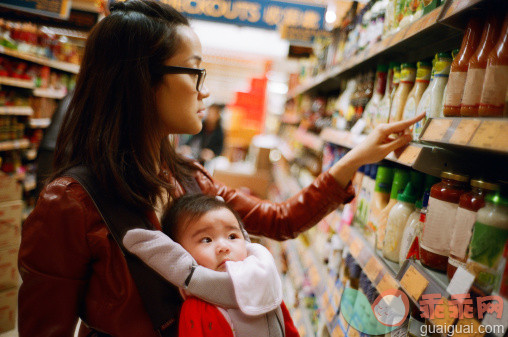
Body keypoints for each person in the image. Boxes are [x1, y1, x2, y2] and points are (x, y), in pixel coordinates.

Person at [17, 0, 423, 336]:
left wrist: (355, 158)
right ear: (143, 80)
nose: (205, 89)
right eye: (195, 71)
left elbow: (278, 220)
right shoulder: (70, 203)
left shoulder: (188, 177)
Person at [123, 194, 300, 336]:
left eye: (232, 236)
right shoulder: (198, 309)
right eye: (206, 240)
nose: (223, 247)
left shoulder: (262, 280)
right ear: (180, 253)